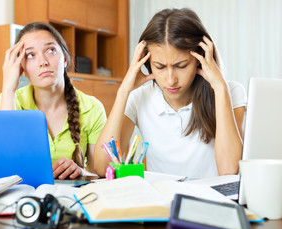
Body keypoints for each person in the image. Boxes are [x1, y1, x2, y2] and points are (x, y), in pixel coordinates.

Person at [94, 8, 247, 179]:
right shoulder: (139, 97)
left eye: (181, 66)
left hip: (210, 202)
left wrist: (220, 87)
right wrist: (124, 91)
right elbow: (102, 167)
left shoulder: (230, 92)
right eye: (159, 67)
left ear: (200, 58)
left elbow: (228, 171)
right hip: (162, 202)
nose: (170, 80)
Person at [0, 22, 106, 179]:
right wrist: (8, 88)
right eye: (30, 55)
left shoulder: (92, 108)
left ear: (65, 59)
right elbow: (4, 164)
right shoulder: (7, 100)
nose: (43, 62)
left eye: (51, 50)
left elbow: (99, 175)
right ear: (22, 69)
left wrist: (81, 172)